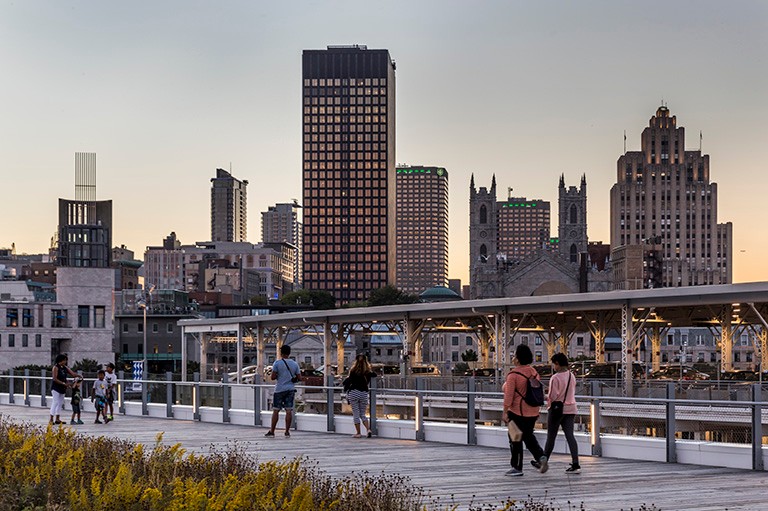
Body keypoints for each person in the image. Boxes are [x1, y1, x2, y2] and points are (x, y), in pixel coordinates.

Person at [502, 344, 548, 477]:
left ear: (517, 358)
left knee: (514, 439)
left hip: (517, 412)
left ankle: (517, 467)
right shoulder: (534, 373)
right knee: (528, 437)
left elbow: (509, 395)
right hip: (533, 411)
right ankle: (541, 458)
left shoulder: (513, 375)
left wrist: (505, 411)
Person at [540, 353, 580, 474]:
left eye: (554, 364)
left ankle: (543, 461)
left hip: (557, 410)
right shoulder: (571, 376)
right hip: (571, 408)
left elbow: (553, 396)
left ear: (557, 363)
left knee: (551, 437)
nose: (554, 367)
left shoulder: (555, 377)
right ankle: (575, 463)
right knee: (570, 436)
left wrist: (545, 396)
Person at [265, 344, 301, 437]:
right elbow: (299, 377)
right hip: (290, 389)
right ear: (289, 353)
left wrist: (279, 375)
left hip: (279, 389)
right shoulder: (294, 364)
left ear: (281, 353)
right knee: (289, 411)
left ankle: (272, 431)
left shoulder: (277, 363)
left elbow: (273, 377)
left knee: (276, 410)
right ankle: (287, 431)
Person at [343, 354, 377, 438]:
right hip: (363, 393)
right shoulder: (368, 372)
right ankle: (368, 429)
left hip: (353, 393)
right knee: (363, 414)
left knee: (356, 414)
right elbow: (374, 375)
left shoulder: (353, 370)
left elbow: (349, 380)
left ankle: (358, 433)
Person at [49, 354, 79, 425]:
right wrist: (63, 383)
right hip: (56, 387)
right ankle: (51, 419)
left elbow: (72, 374)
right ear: (60, 360)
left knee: (60, 403)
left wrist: (78, 375)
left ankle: (57, 418)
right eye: (64, 360)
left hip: (63, 387)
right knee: (55, 402)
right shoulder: (56, 367)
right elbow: (55, 378)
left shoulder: (65, 368)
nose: (65, 362)